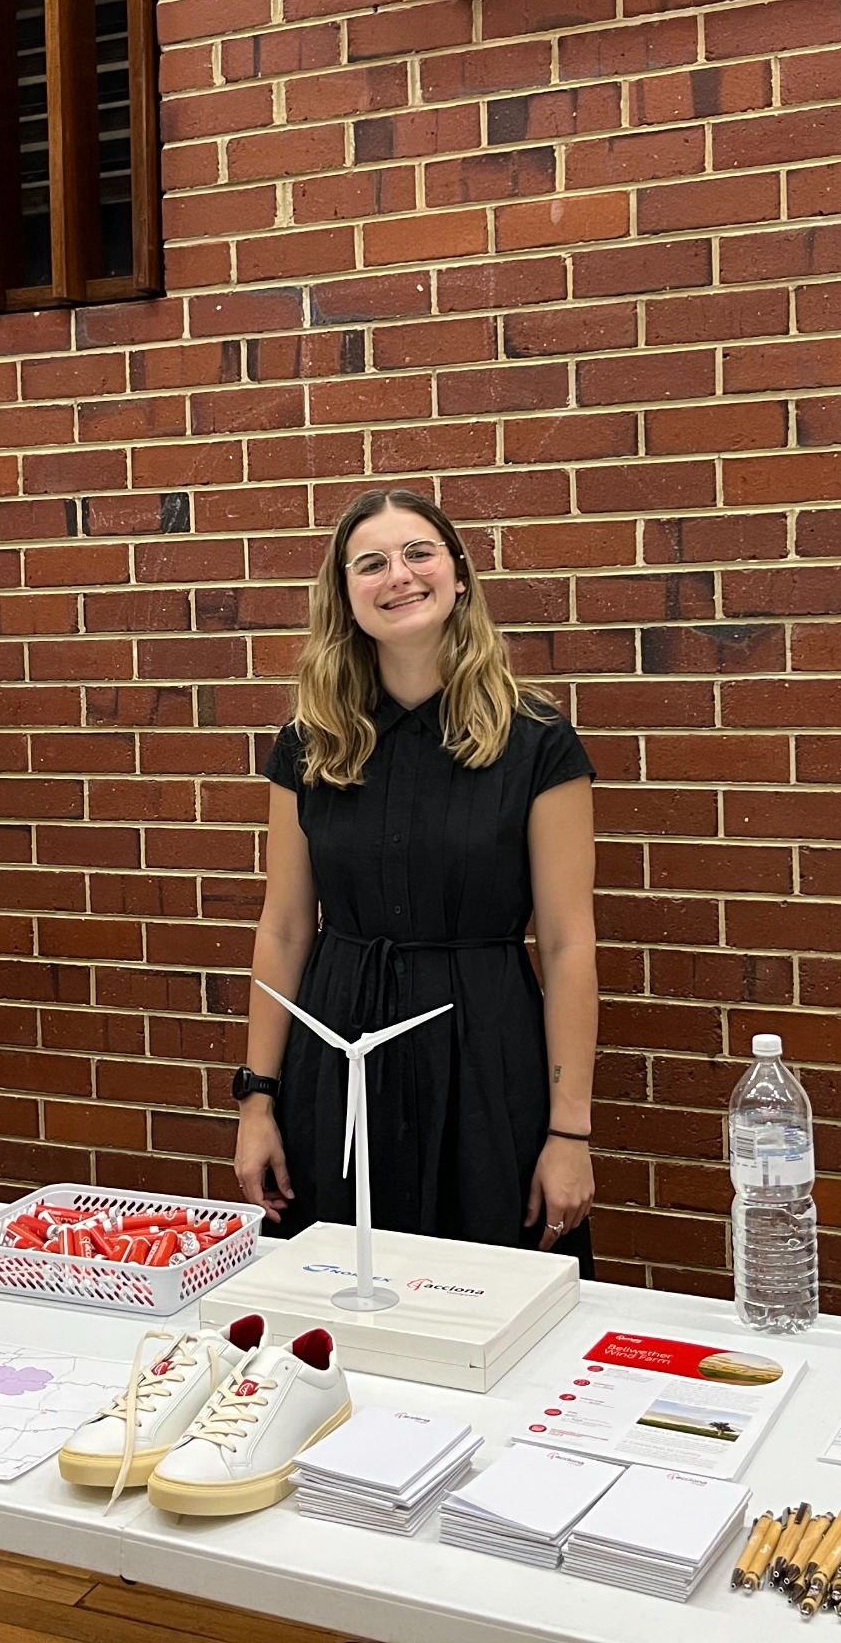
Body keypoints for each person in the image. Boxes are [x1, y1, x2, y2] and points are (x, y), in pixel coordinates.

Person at [233, 487, 601, 1266]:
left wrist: (570, 1131)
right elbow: (286, 928)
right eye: (370, 564)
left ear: (458, 576)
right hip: (338, 1052)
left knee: (489, 1288)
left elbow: (569, 943)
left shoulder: (537, 743)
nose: (398, 575)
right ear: (345, 598)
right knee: (335, 1284)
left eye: (418, 553)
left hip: (486, 1055)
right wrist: (257, 1100)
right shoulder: (310, 743)